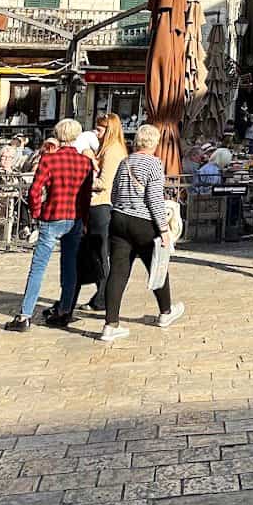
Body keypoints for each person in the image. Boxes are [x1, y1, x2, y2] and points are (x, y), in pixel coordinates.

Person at [4, 118, 93, 334]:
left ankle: (25, 315)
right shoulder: (85, 162)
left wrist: (36, 212)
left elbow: (34, 190)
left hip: (52, 216)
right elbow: (86, 196)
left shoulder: (49, 160)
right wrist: (84, 221)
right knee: (70, 266)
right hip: (74, 217)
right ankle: (64, 310)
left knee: (38, 267)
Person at [101, 123, 185, 342]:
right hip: (143, 221)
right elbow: (155, 200)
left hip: (119, 219)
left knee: (118, 272)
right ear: (155, 143)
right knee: (157, 266)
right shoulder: (154, 164)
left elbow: (114, 192)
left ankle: (110, 324)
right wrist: (164, 229)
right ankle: (165, 312)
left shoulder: (124, 161)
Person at [74, 113, 129, 314]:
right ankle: (100, 296)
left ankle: (104, 297)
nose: (96, 133)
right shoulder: (108, 149)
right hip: (99, 205)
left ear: (110, 130)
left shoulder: (113, 151)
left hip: (102, 205)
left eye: (99, 129)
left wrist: (83, 182)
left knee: (100, 253)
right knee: (96, 253)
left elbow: (105, 183)